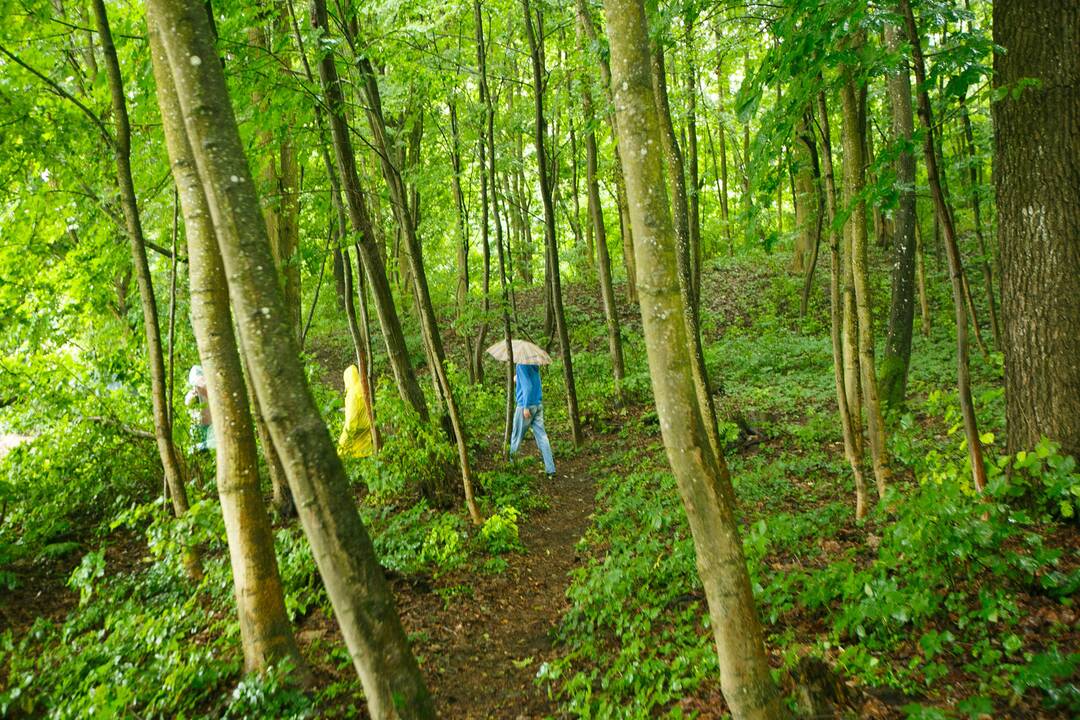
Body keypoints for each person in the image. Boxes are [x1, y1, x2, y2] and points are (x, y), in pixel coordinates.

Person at [509, 362, 556, 478]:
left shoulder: (521, 365)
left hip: (525, 407)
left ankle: (510, 468)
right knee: (542, 437)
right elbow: (532, 382)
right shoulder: (534, 364)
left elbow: (528, 386)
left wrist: (525, 406)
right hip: (538, 405)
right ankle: (550, 469)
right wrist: (518, 379)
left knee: (516, 437)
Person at [338, 364, 373, 458]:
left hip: (356, 445)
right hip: (368, 441)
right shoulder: (365, 387)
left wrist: (341, 445)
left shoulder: (352, 395)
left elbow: (351, 423)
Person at [184, 365, 214, 452]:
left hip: (210, 424)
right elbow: (187, 402)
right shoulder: (193, 394)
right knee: (198, 450)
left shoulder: (209, 389)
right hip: (198, 426)